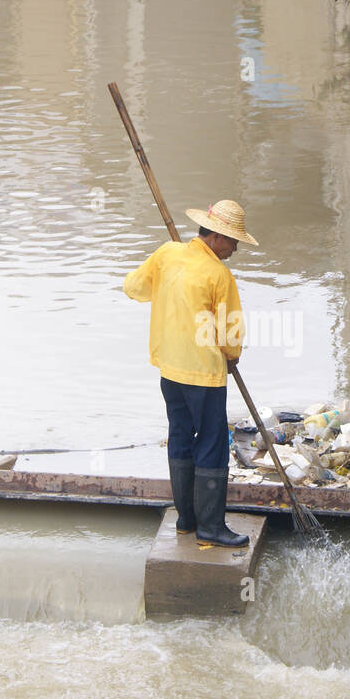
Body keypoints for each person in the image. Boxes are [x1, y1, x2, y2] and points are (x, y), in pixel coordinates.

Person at [123, 199, 259, 548]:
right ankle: (211, 526)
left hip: (169, 369)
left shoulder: (168, 254)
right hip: (204, 375)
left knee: (182, 437)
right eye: (232, 242)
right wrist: (232, 358)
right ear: (215, 238)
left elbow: (134, 287)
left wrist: (170, 285)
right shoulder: (218, 275)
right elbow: (230, 335)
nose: (234, 249)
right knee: (212, 445)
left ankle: (186, 519)